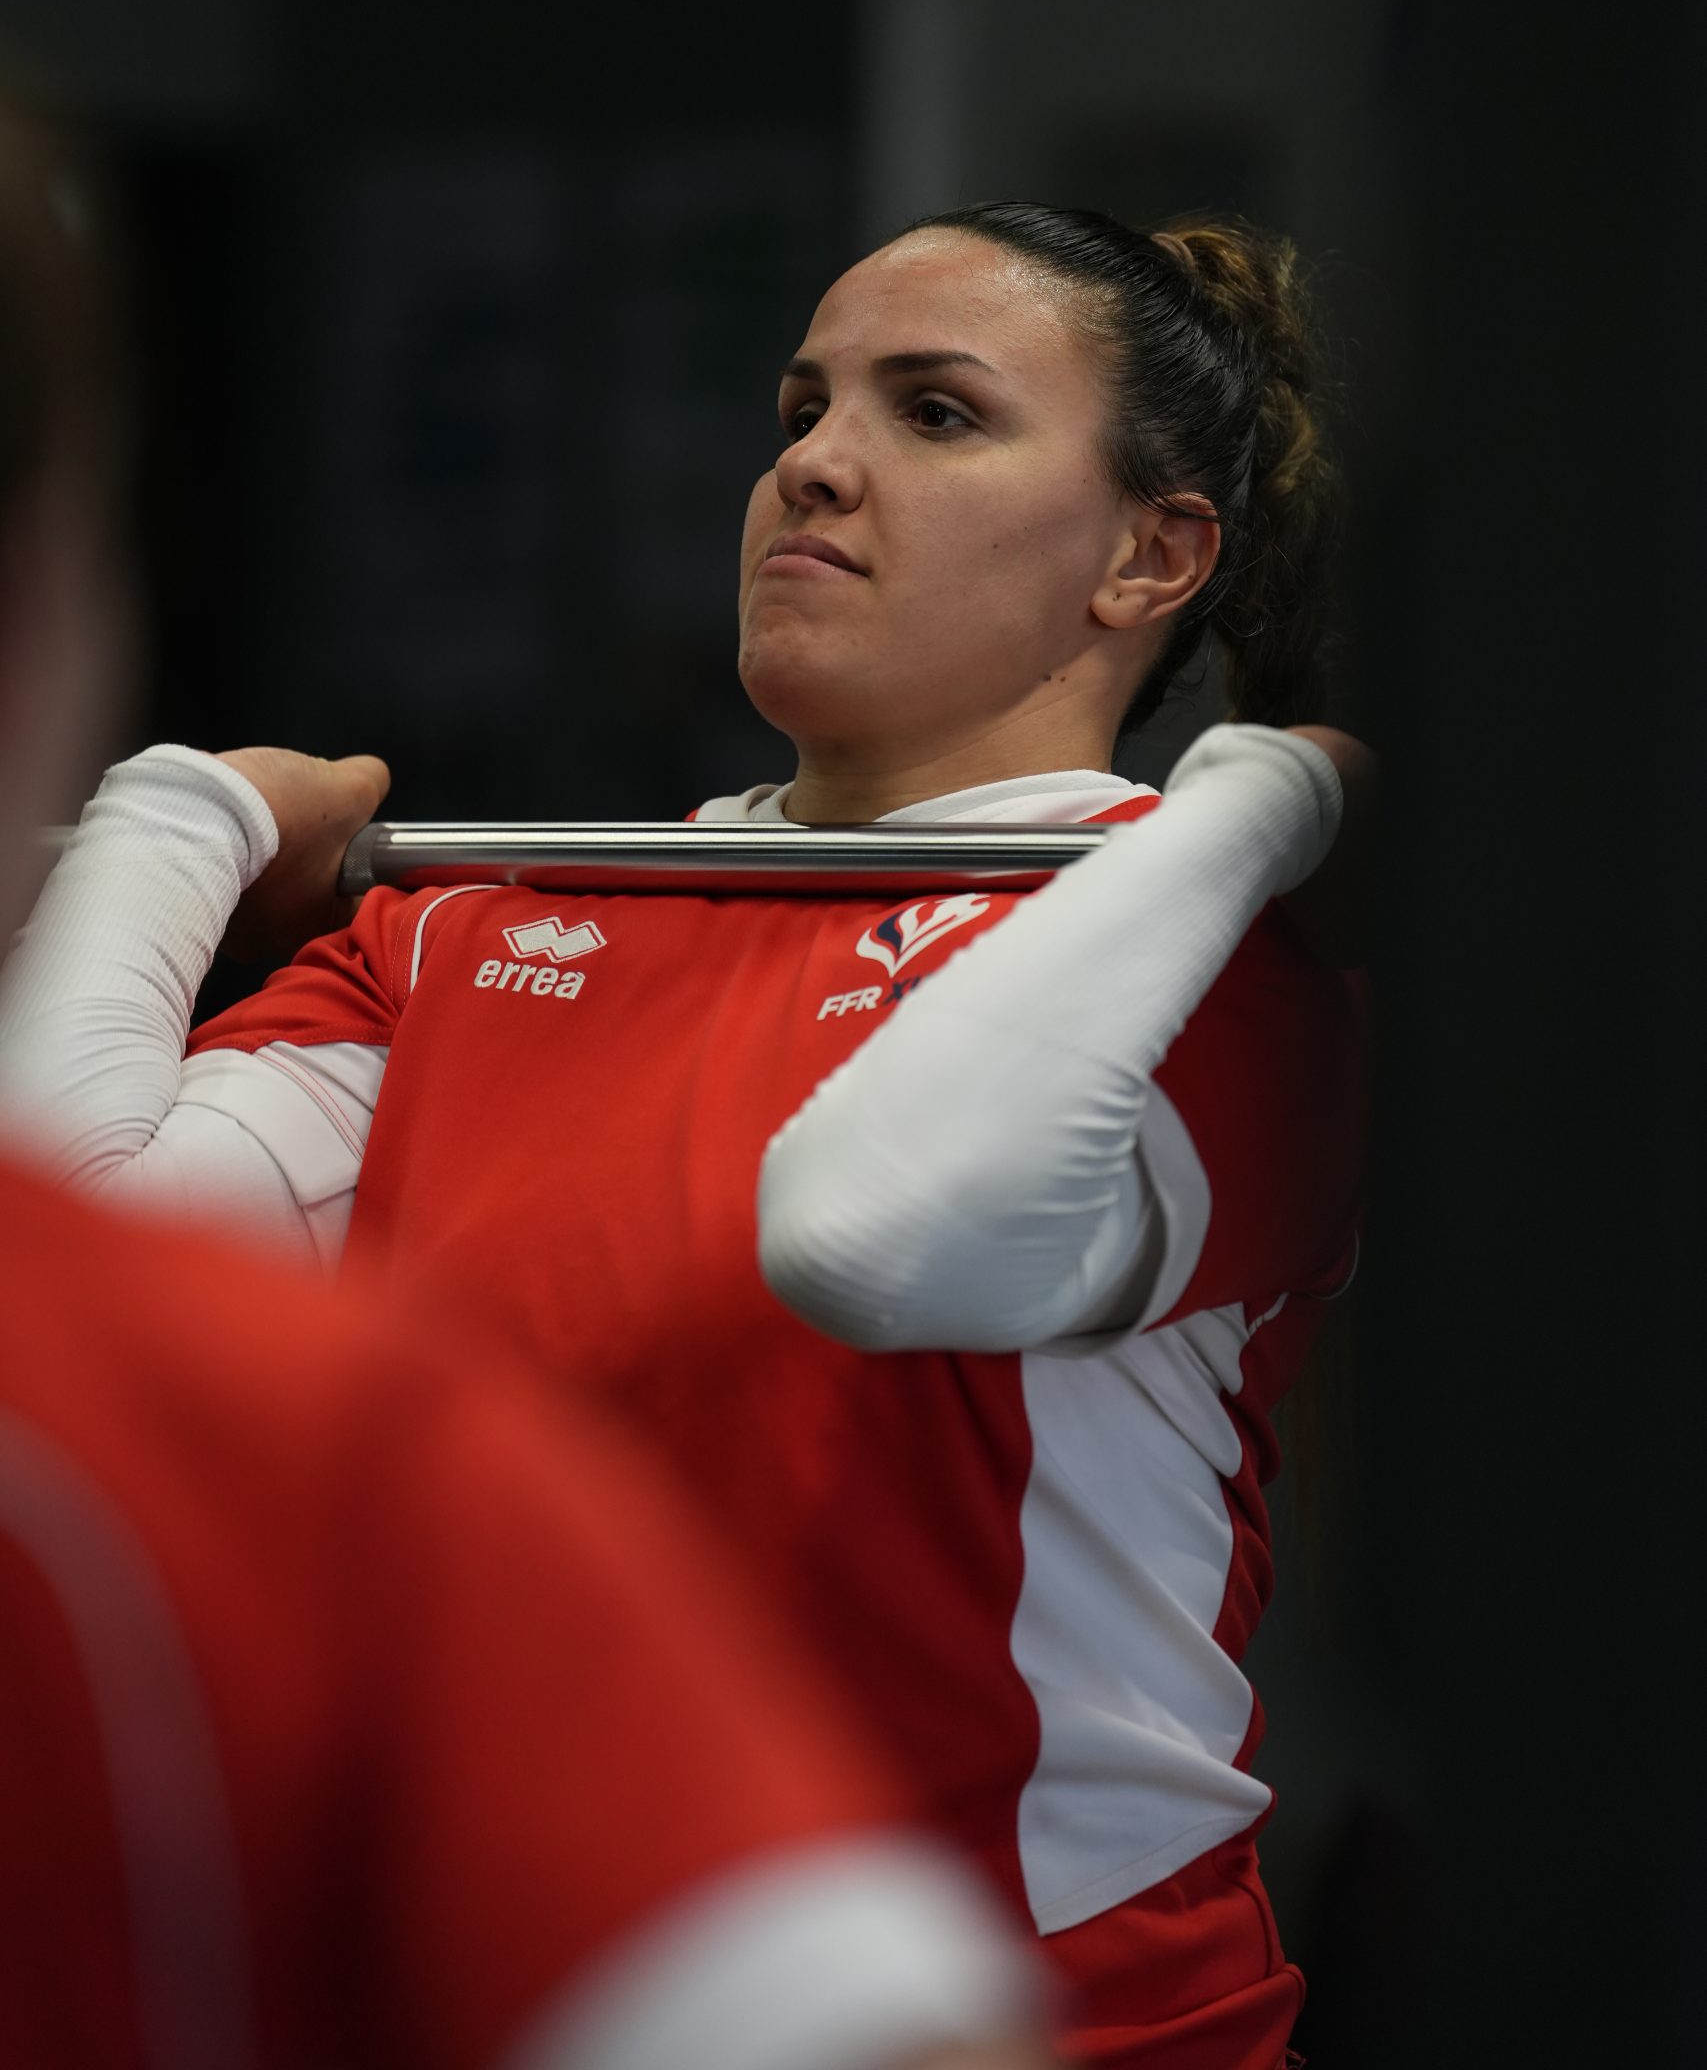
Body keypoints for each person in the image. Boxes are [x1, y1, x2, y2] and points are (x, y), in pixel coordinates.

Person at [2, 196, 1372, 2066]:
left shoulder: (1205, 963)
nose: (814, 463)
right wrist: (183, 822)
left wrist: (1237, 816)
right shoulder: (478, 930)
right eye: (803, 406)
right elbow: (86, 1294)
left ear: (1151, 555)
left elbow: (876, 1234)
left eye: (935, 412)